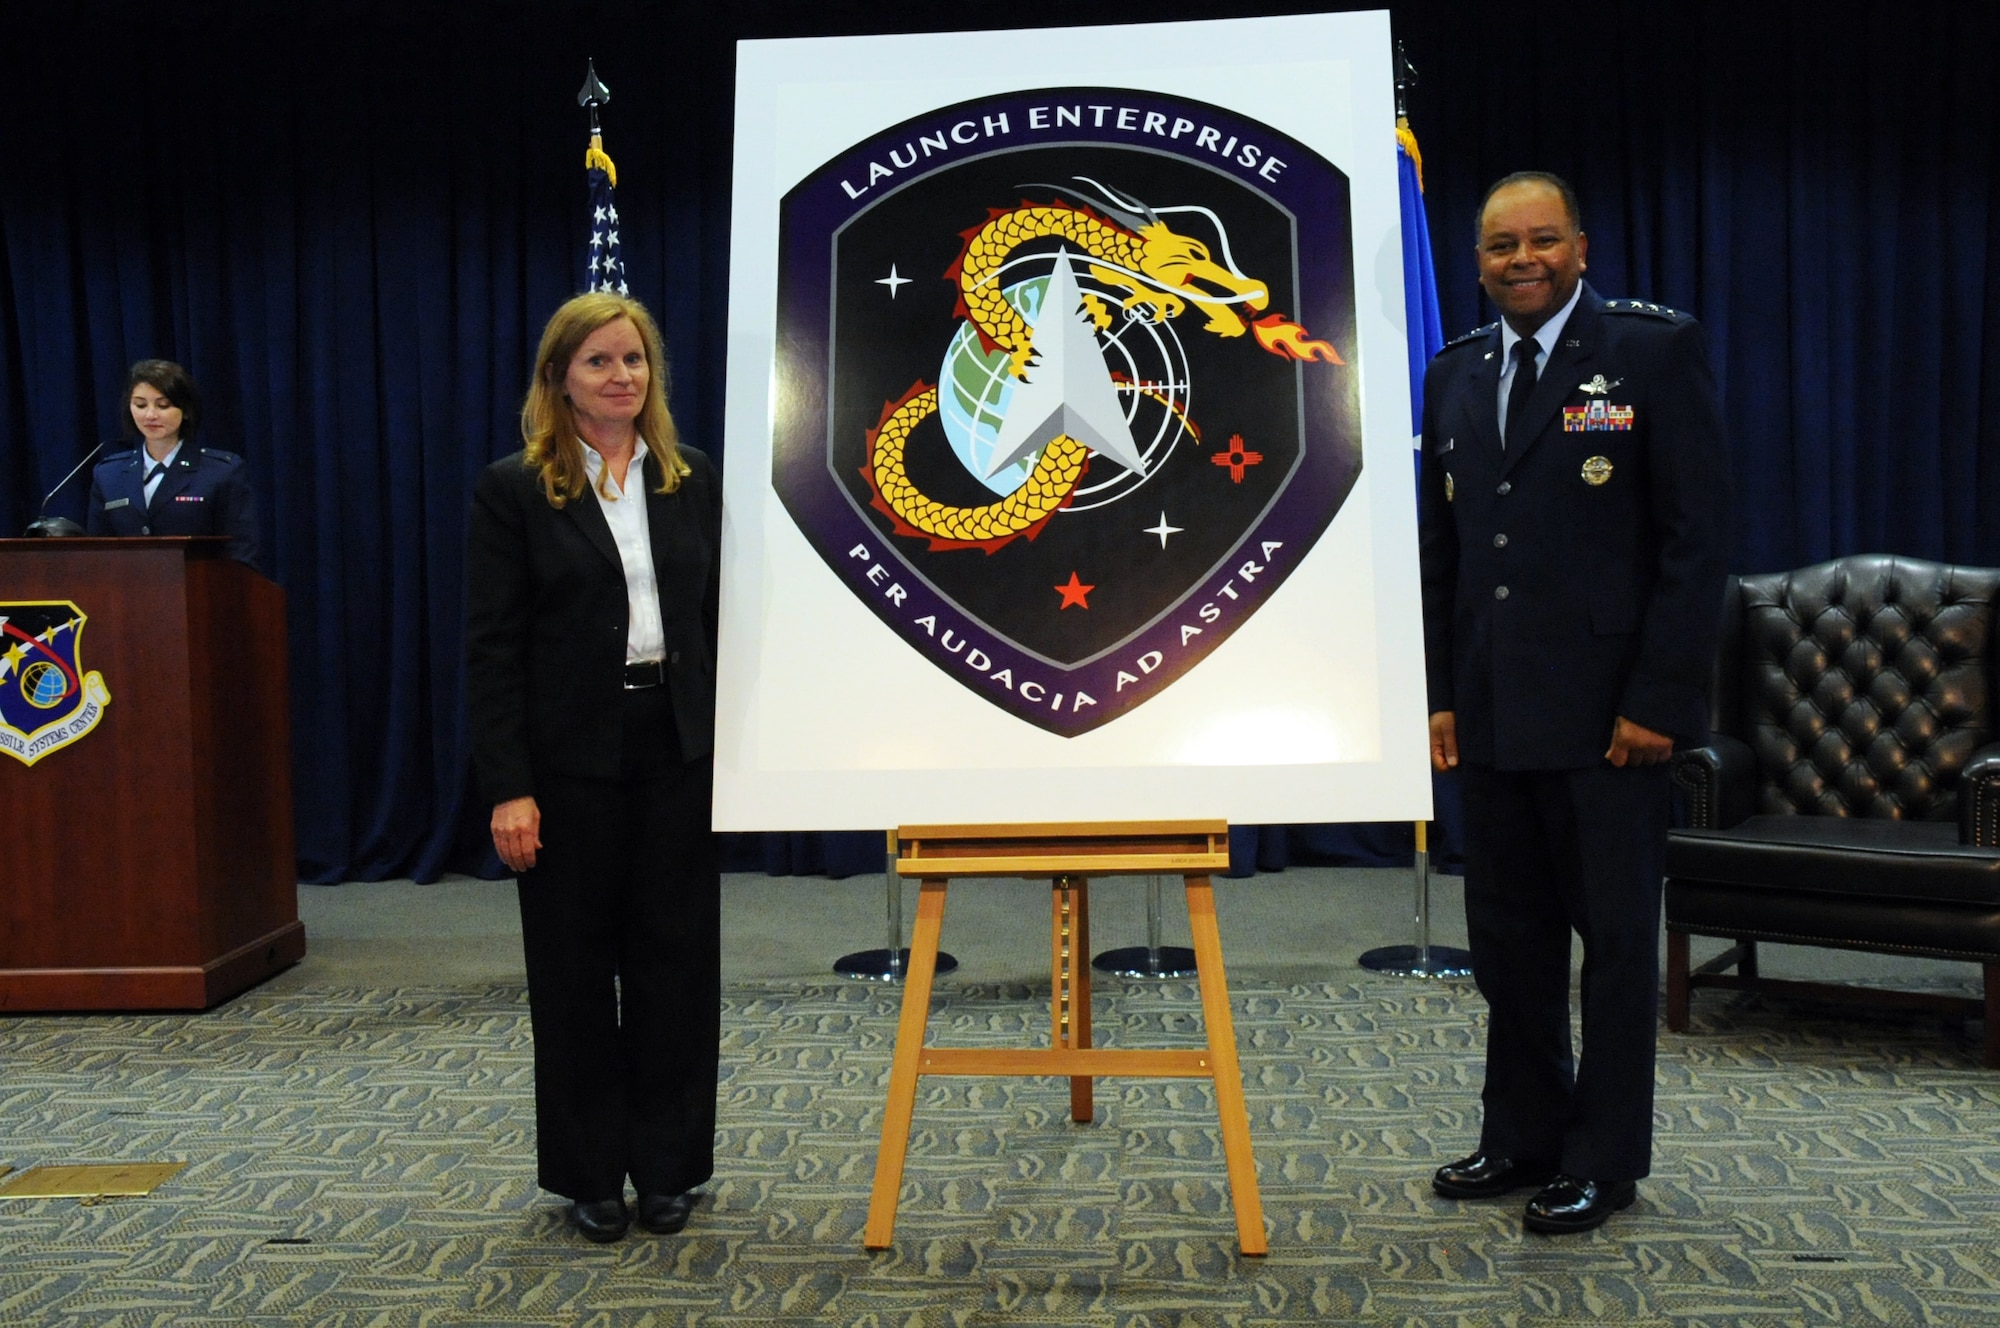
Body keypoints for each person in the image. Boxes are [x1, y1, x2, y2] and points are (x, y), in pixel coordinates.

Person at [1417, 172, 1729, 1234]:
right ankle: (1520, 1133)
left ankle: (1603, 1157)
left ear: (1580, 248)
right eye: (1499, 245)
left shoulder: (1647, 353)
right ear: (1477, 261)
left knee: (1610, 946)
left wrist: (1658, 699)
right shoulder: (1454, 371)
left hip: (1611, 724)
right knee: (1507, 941)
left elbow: (1694, 546)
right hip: (1494, 710)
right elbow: (1444, 556)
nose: (1520, 260)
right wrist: (1440, 696)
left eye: (1540, 240)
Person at [463, 291, 723, 1243]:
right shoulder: (514, 489)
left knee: (675, 966)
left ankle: (666, 1168)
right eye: (599, 363)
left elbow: (715, 622)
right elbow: (490, 649)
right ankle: (587, 1174)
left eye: (635, 361)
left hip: (675, 752)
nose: (622, 378)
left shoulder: (690, 477)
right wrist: (508, 784)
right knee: (574, 975)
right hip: (565, 765)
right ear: (558, 378)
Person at [87, 359, 261, 569]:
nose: (150, 415)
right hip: (128, 595)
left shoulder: (221, 471)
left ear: (186, 410)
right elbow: (97, 555)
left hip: (200, 593)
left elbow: (240, 552)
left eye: (163, 405)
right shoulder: (108, 474)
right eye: (140, 405)